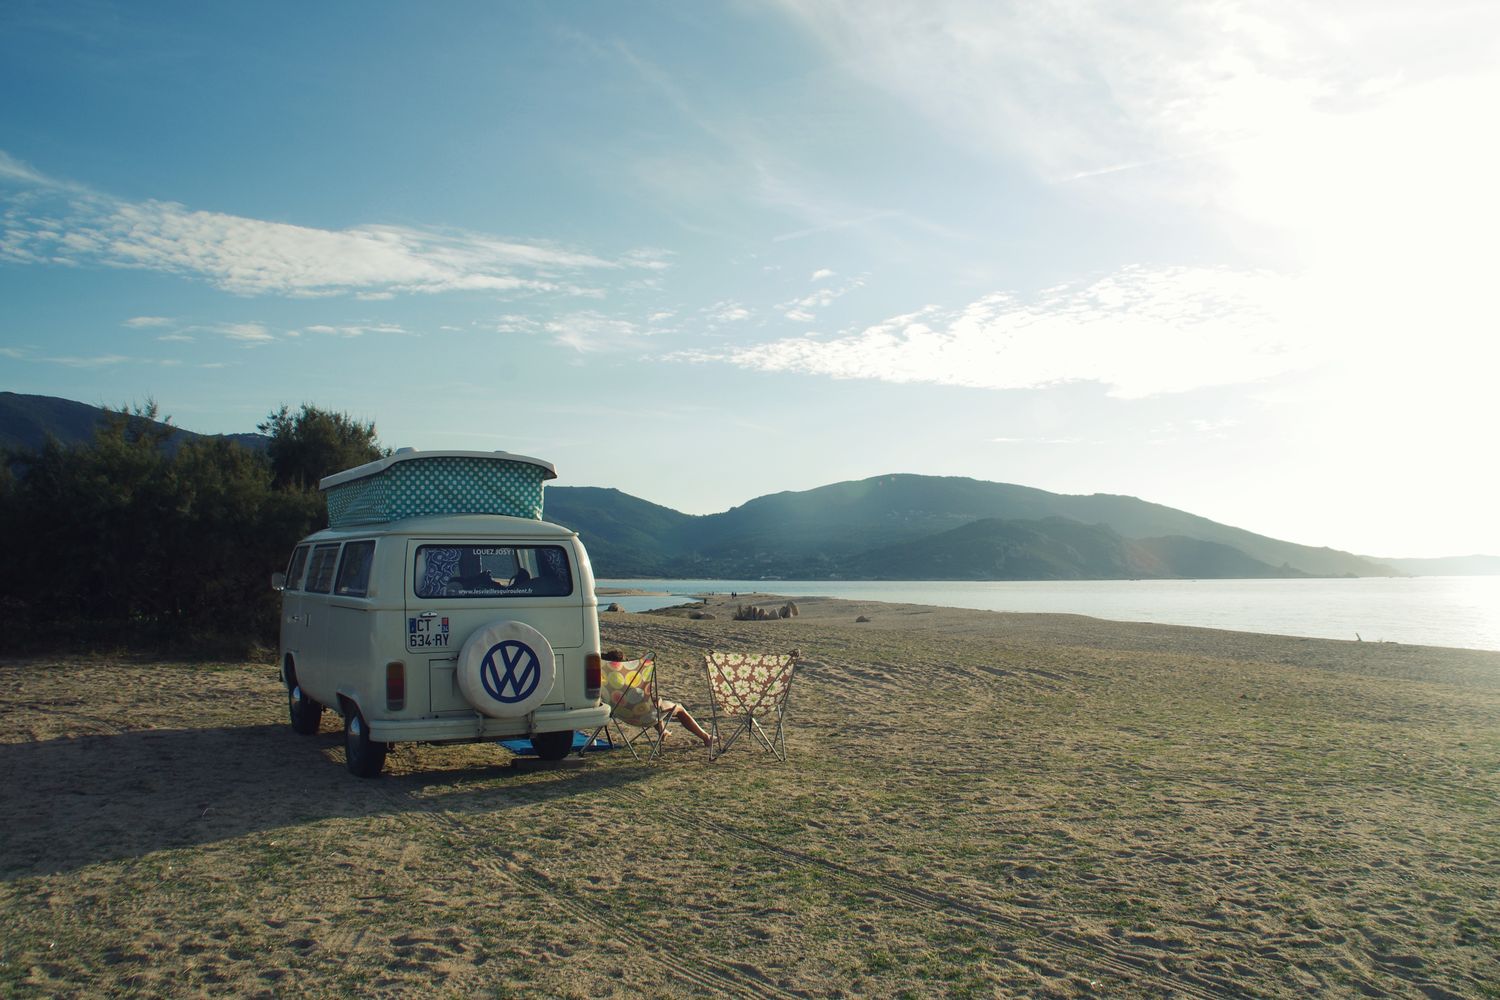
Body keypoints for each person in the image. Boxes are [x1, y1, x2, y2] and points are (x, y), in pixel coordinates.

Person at [602, 649, 714, 748]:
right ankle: (706, 737)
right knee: (677, 708)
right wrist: (658, 700)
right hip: (644, 716)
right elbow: (649, 703)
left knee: (650, 706)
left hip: (623, 715)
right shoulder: (631, 684)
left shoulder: (607, 685)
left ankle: (663, 732)